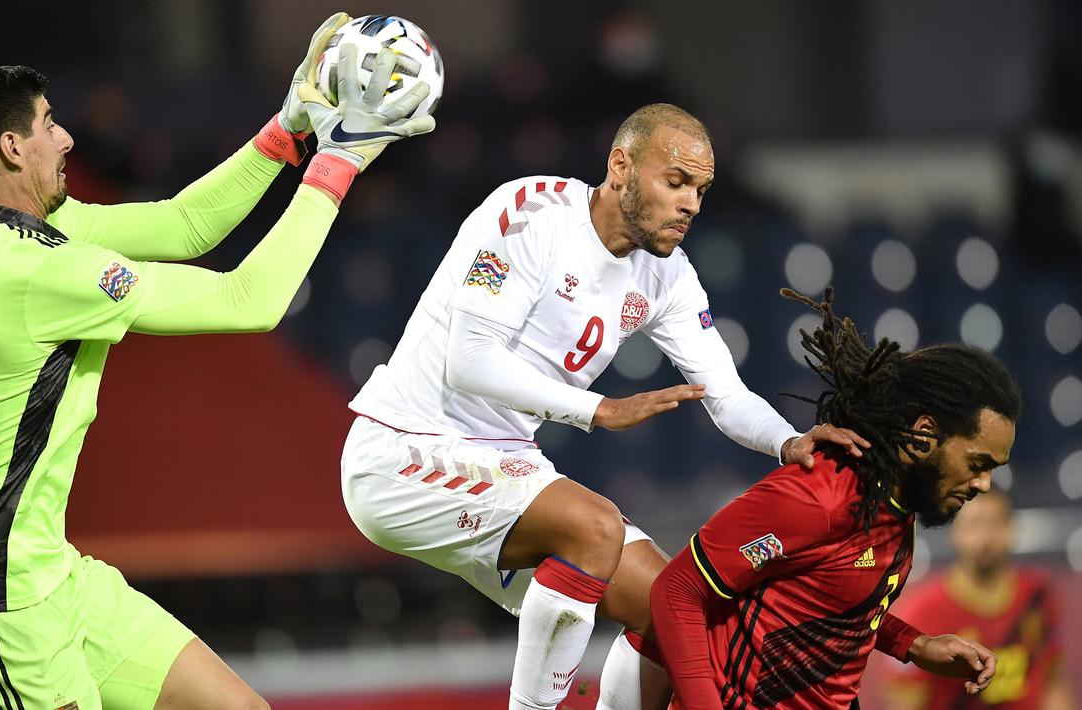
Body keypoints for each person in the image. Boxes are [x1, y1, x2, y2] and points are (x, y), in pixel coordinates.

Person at [0, 12, 435, 710]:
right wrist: (344, 157)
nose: (67, 137)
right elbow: (252, 298)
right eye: (49, 123)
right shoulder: (30, 275)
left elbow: (183, 224)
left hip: (49, 574)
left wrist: (289, 128)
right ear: (11, 148)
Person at [340, 103, 865, 710]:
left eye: (701, 189)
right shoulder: (530, 213)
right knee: (594, 525)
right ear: (621, 167)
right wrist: (598, 410)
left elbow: (724, 393)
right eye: (675, 182)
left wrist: (788, 442)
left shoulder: (667, 277)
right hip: (403, 446)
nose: (691, 204)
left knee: (678, 612)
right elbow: (470, 360)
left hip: (505, 465)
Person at [648, 287, 1023, 710]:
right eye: (978, 463)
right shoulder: (819, 497)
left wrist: (914, 645)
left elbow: (827, 603)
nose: (985, 484)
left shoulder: (895, 506)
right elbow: (678, 590)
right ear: (923, 434)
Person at [880, 488, 1075, 710]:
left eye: (994, 523)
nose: (985, 537)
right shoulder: (921, 611)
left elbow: (1054, 683)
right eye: (975, 524)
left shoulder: (1037, 596)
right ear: (955, 533)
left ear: (1011, 529)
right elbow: (905, 702)